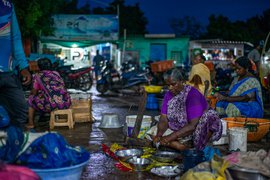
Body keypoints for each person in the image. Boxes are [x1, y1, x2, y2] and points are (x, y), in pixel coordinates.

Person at [146, 68, 222, 151]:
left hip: (193, 130)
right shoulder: (169, 94)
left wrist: (170, 137)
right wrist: (159, 135)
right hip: (177, 128)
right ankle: (176, 145)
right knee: (152, 134)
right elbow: (164, 118)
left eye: (173, 84)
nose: (170, 88)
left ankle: (181, 146)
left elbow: (193, 125)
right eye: (168, 85)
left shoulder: (192, 95)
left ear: (182, 81)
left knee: (202, 125)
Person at [0, 1, 31, 128]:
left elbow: (15, 38)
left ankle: (8, 145)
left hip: (8, 73)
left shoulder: (7, 6)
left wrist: (23, 66)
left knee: (20, 111)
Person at [26, 58, 71, 129]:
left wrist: (33, 92)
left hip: (52, 105)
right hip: (66, 102)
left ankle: (31, 123)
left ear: (39, 66)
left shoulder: (37, 76)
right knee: (44, 96)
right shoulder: (56, 73)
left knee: (31, 99)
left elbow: (34, 92)